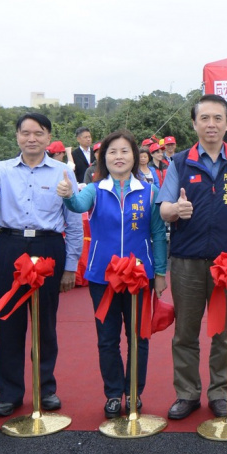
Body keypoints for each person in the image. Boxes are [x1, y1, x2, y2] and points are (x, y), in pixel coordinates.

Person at [157, 95, 227, 420]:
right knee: (186, 333)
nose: (211, 124)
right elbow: (163, 208)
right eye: (205, 118)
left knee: (224, 333)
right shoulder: (180, 162)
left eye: (218, 118)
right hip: (187, 261)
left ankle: (220, 394)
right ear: (194, 123)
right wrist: (176, 210)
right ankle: (187, 394)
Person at [59, 130, 168, 418]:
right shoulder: (95, 190)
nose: (118, 157)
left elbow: (158, 233)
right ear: (103, 159)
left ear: (135, 156)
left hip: (138, 278)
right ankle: (112, 393)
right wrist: (69, 195)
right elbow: (78, 205)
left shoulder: (149, 191)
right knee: (107, 338)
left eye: (124, 151)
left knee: (138, 338)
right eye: (112, 152)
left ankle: (133, 392)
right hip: (103, 278)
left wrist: (159, 272)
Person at [0, 112, 83, 417]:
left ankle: (45, 388)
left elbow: (75, 221)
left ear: (48, 137)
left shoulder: (62, 172)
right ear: (17, 136)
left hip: (47, 246)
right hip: (10, 247)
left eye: (38, 133)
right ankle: (10, 392)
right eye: (25, 133)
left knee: (45, 324)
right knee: (9, 323)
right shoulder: (0, 169)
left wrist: (70, 267)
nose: (31, 139)